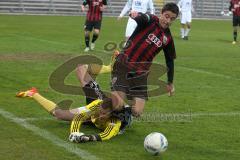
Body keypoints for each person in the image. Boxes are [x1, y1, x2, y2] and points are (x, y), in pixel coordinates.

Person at [92, 3, 179, 119]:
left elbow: (170, 61)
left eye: (172, 19)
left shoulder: (168, 39)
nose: (168, 21)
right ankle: (106, 104)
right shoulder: (151, 20)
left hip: (140, 75)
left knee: (137, 112)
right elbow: (143, 17)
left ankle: (121, 110)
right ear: (161, 13)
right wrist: (135, 15)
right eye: (166, 16)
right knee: (118, 106)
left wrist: (170, 82)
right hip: (123, 65)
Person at [16, 63, 127, 143]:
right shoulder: (97, 105)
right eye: (100, 112)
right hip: (98, 100)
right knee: (80, 67)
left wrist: (88, 138)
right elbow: (79, 116)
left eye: (104, 114)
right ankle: (110, 67)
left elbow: (105, 135)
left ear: (111, 114)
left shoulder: (115, 122)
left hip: (101, 117)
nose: (100, 115)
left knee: (59, 114)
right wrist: (74, 133)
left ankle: (33, 93)